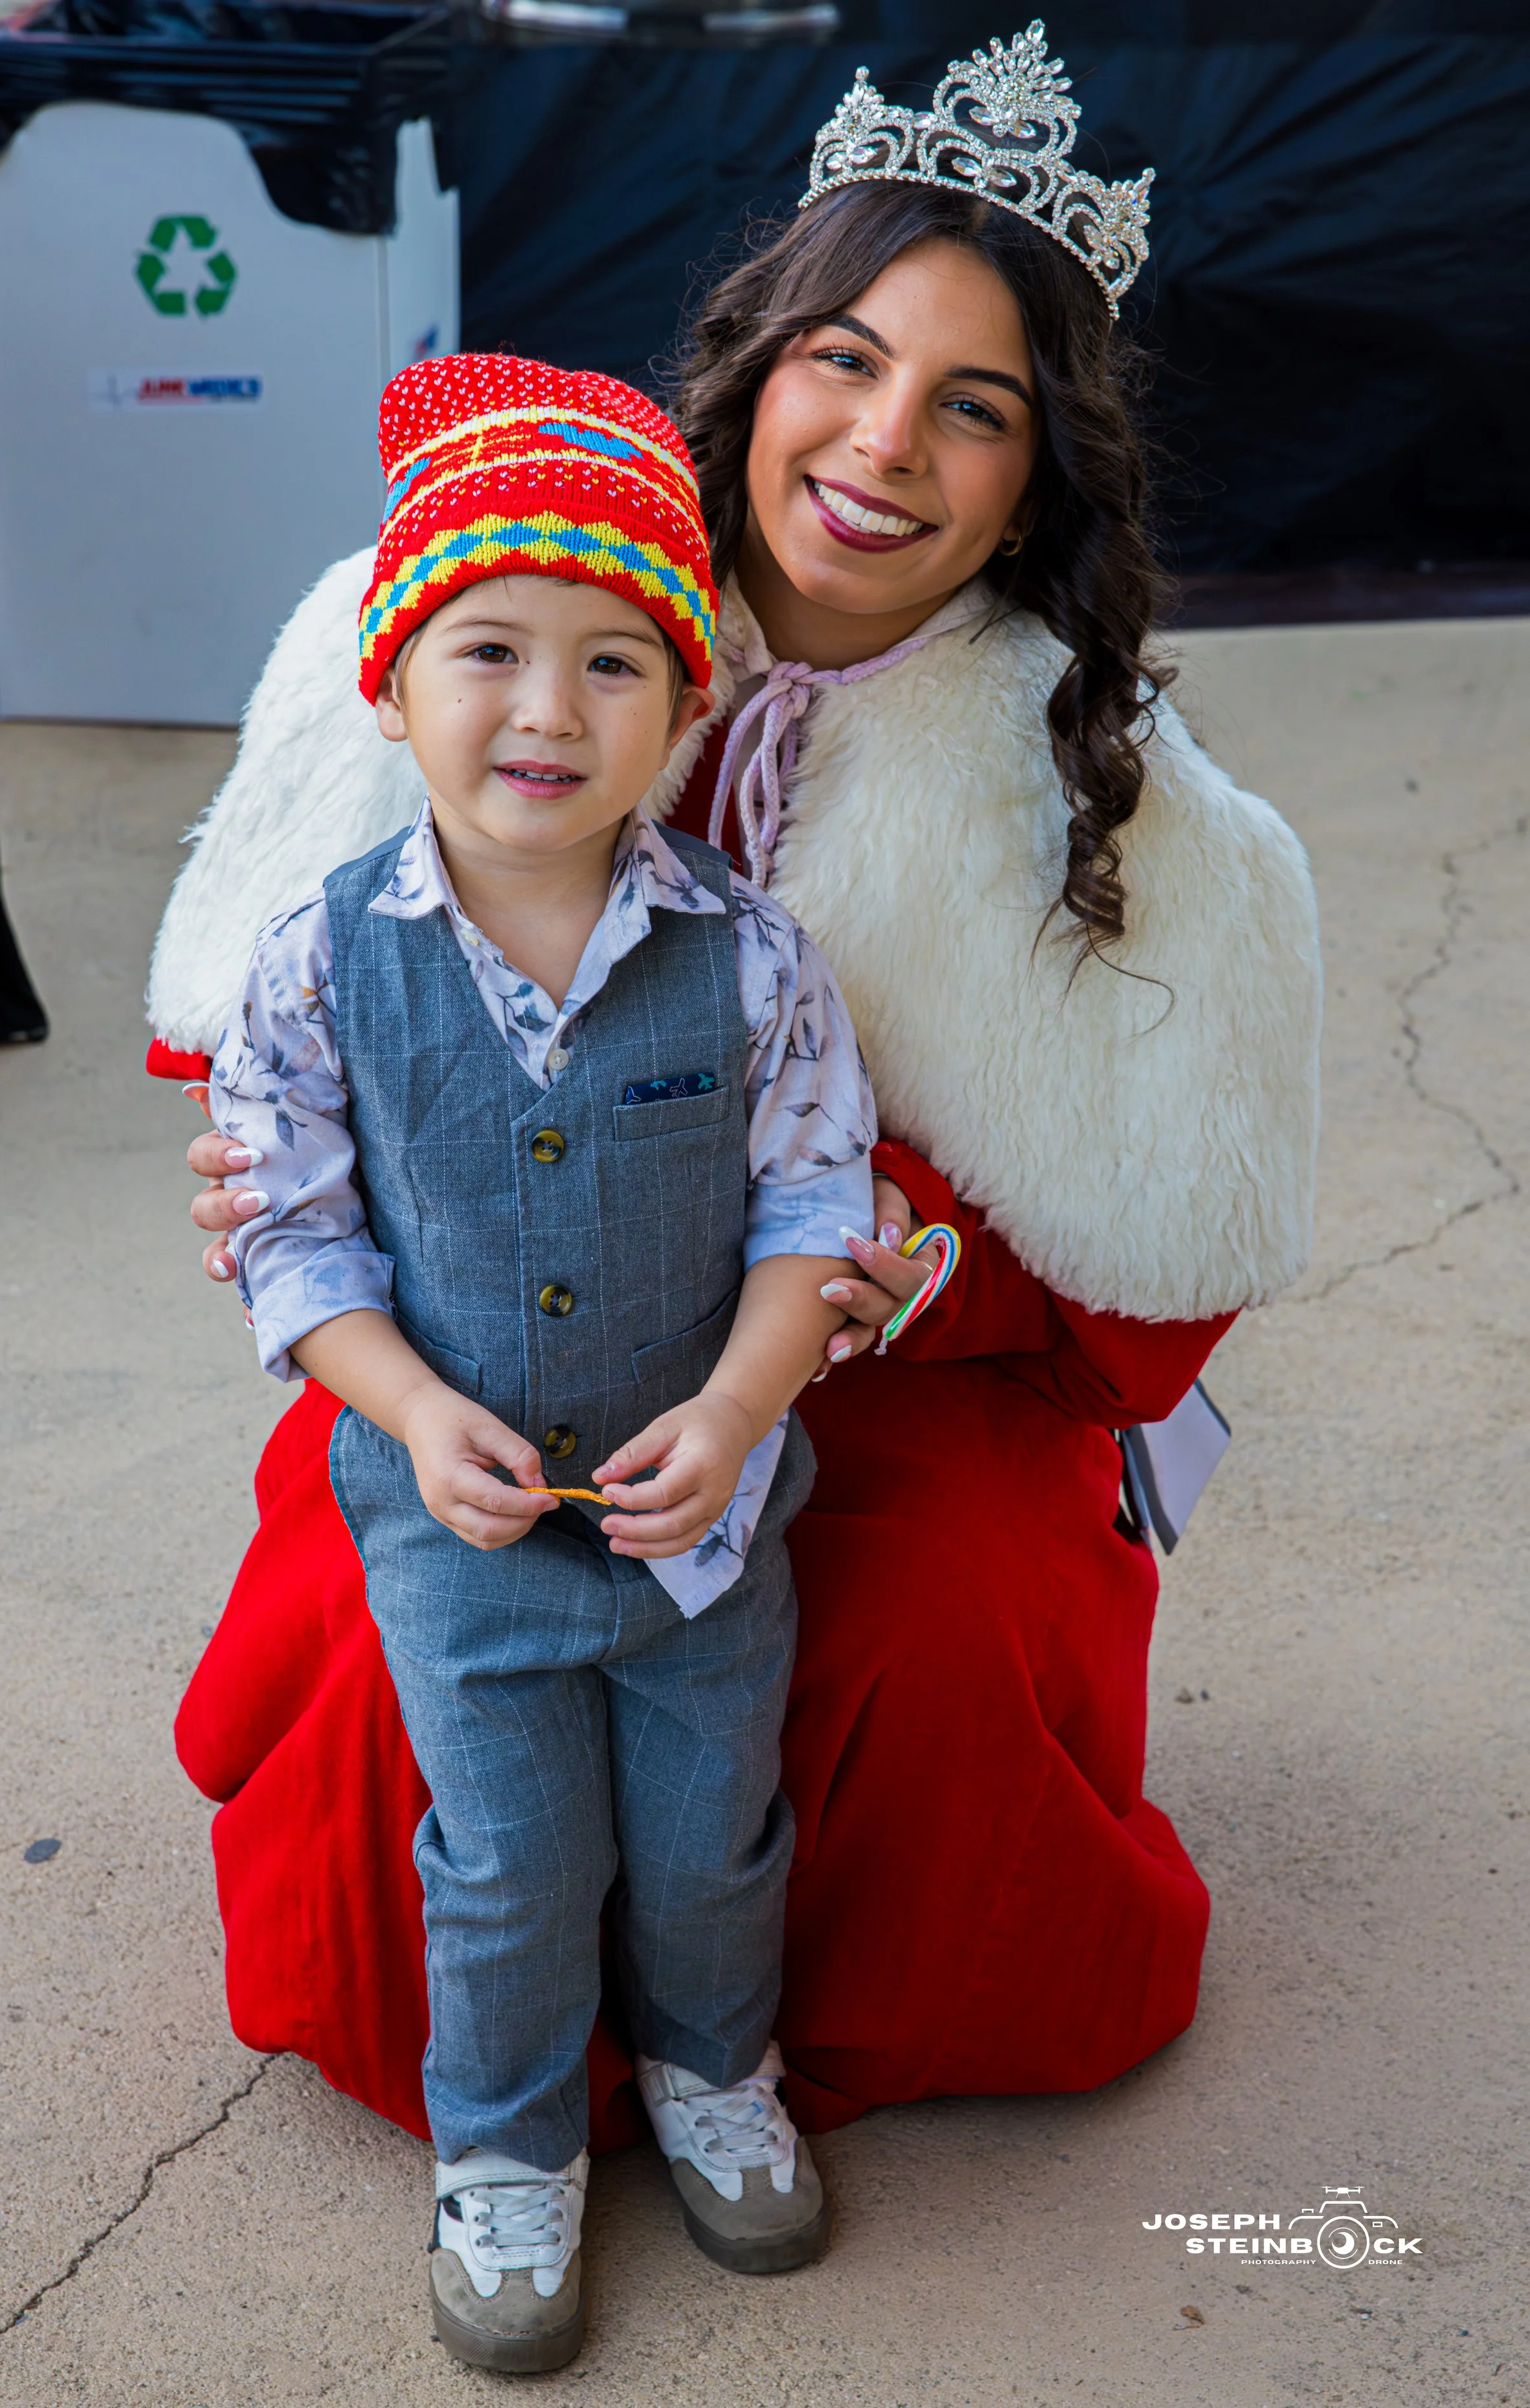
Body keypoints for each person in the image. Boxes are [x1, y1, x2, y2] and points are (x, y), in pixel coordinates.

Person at [149, 15, 1319, 2247]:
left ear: (1035, 473)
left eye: (971, 408)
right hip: (497, 1343)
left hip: (860, 1374)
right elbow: (275, 1026)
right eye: (845, 363)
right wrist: (288, 1197)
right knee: (397, 1624)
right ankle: (512, 2090)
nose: (883, 447)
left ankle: (725, 2056)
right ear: (755, 361)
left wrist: (907, 1270)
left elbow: (1152, 1256)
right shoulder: (497, 600)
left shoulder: (1124, 795)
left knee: (919, 1628)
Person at [204, 353, 880, 2371]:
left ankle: (707, 2064)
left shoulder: (752, 958)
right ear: (394, 682)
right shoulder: (320, 958)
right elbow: (293, 1228)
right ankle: (503, 2148)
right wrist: (407, 1409)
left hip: (701, 1513)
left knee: (710, 1827)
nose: (546, 710)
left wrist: (744, 1405)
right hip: (456, 1516)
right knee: (504, 1851)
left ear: (684, 710)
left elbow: (810, 1215)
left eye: (614, 664)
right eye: (488, 647)